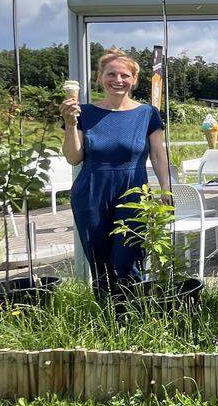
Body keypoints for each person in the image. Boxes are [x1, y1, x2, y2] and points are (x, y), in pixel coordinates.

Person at [61, 48, 170, 299]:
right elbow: (73, 157)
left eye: (124, 75)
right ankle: (106, 319)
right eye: (111, 74)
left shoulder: (147, 114)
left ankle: (133, 315)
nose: (118, 80)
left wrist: (166, 189)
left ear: (134, 80)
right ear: (100, 78)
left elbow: (157, 154)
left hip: (133, 192)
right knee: (100, 262)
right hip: (91, 192)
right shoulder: (84, 112)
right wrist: (70, 124)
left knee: (128, 258)